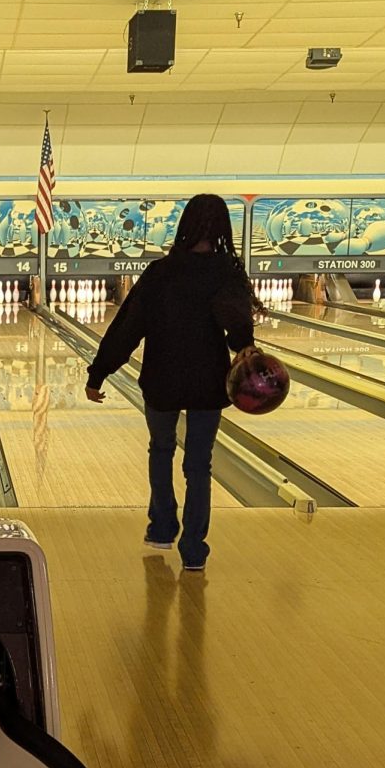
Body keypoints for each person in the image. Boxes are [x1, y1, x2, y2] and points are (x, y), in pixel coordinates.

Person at [85, 194, 259, 571]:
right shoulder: (226, 270)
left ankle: (162, 528)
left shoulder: (160, 272)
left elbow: (128, 327)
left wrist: (99, 371)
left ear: (185, 224)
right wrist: (246, 347)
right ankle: (194, 550)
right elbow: (236, 326)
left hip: (162, 380)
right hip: (208, 383)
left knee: (161, 450)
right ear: (223, 228)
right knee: (199, 466)